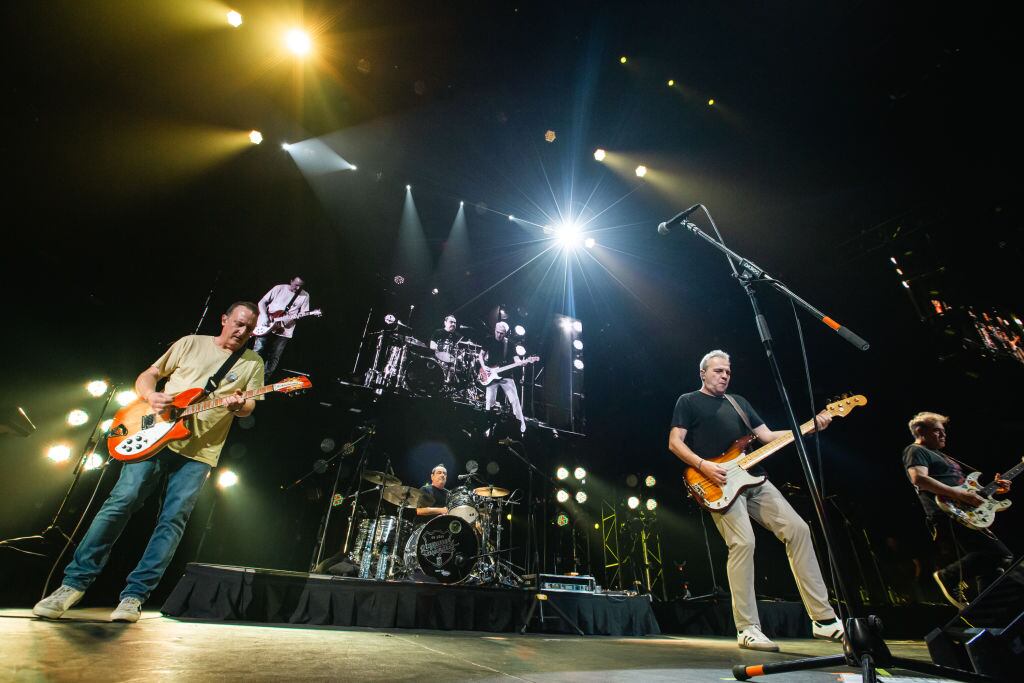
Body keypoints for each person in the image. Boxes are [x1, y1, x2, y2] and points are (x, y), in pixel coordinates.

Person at [33, 302, 265, 623]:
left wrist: (239, 406)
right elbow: (150, 374)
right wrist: (150, 395)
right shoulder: (190, 343)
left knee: (172, 520)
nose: (242, 332)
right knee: (121, 501)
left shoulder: (253, 362)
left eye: (249, 329)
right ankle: (72, 585)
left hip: (200, 452)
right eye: (238, 323)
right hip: (154, 436)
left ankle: (134, 596)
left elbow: (249, 406)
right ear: (224, 320)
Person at [667, 349, 843, 651]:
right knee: (743, 543)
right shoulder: (688, 401)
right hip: (716, 481)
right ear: (703, 373)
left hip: (754, 478)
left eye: (728, 372)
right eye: (718, 370)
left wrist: (808, 427)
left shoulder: (739, 402)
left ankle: (824, 621)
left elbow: (767, 435)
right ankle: (747, 628)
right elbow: (674, 443)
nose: (724, 375)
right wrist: (703, 465)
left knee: (798, 530)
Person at [903, 411, 1013, 608]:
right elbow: (919, 479)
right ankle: (948, 576)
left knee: (992, 564)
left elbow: (967, 490)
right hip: (947, 511)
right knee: (998, 554)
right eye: (937, 431)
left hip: (965, 510)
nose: (943, 435)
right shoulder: (916, 450)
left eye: (943, 431)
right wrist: (961, 495)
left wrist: (994, 488)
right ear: (920, 431)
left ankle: (988, 609)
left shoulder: (944, 456)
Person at [254, 276, 310, 377]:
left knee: (274, 356)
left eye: (300, 287)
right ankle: (248, 374)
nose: (297, 288)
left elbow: (303, 314)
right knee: (258, 350)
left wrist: (291, 319)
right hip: (267, 323)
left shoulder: (305, 296)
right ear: (291, 281)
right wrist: (264, 316)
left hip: (285, 330)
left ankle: (263, 381)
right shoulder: (279, 288)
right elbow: (262, 302)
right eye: (296, 285)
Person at [479, 321, 527, 433]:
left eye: (501, 333)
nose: (499, 335)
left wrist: (521, 362)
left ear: (506, 333)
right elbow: (480, 355)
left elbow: (516, 360)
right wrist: (483, 366)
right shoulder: (488, 339)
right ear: (494, 330)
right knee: (489, 401)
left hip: (506, 376)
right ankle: (487, 427)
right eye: (497, 332)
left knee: (515, 401)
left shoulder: (510, 344)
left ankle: (522, 428)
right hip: (491, 374)